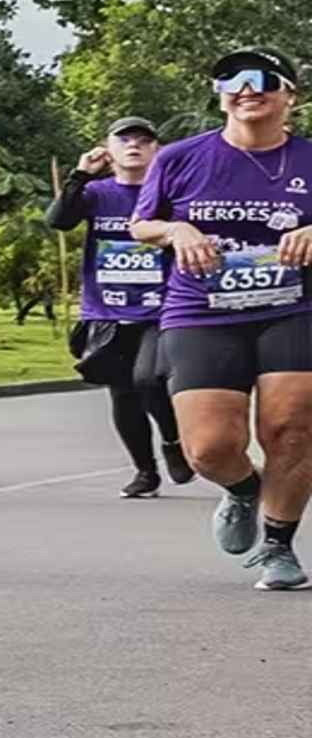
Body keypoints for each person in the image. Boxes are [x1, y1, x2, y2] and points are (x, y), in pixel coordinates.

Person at [130, 46, 312, 591]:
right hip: (202, 309)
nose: (246, 88)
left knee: (292, 429)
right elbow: (144, 225)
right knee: (209, 448)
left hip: (295, 306)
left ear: (290, 96)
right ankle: (240, 488)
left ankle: (279, 545)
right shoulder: (182, 157)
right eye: (231, 79)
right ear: (221, 96)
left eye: (263, 79)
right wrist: (175, 230)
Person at [48, 116, 191, 498]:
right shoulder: (97, 194)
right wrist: (80, 174)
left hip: (162, 309)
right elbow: (59, 220)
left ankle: (174, 442)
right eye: (124, 139)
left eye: (144, 140)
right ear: (108, 150)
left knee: (150, 378)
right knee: (123, 393)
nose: (134, 145)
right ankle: (145, 472)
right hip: (107, 310)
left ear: (156, 151)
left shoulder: (171, 194)